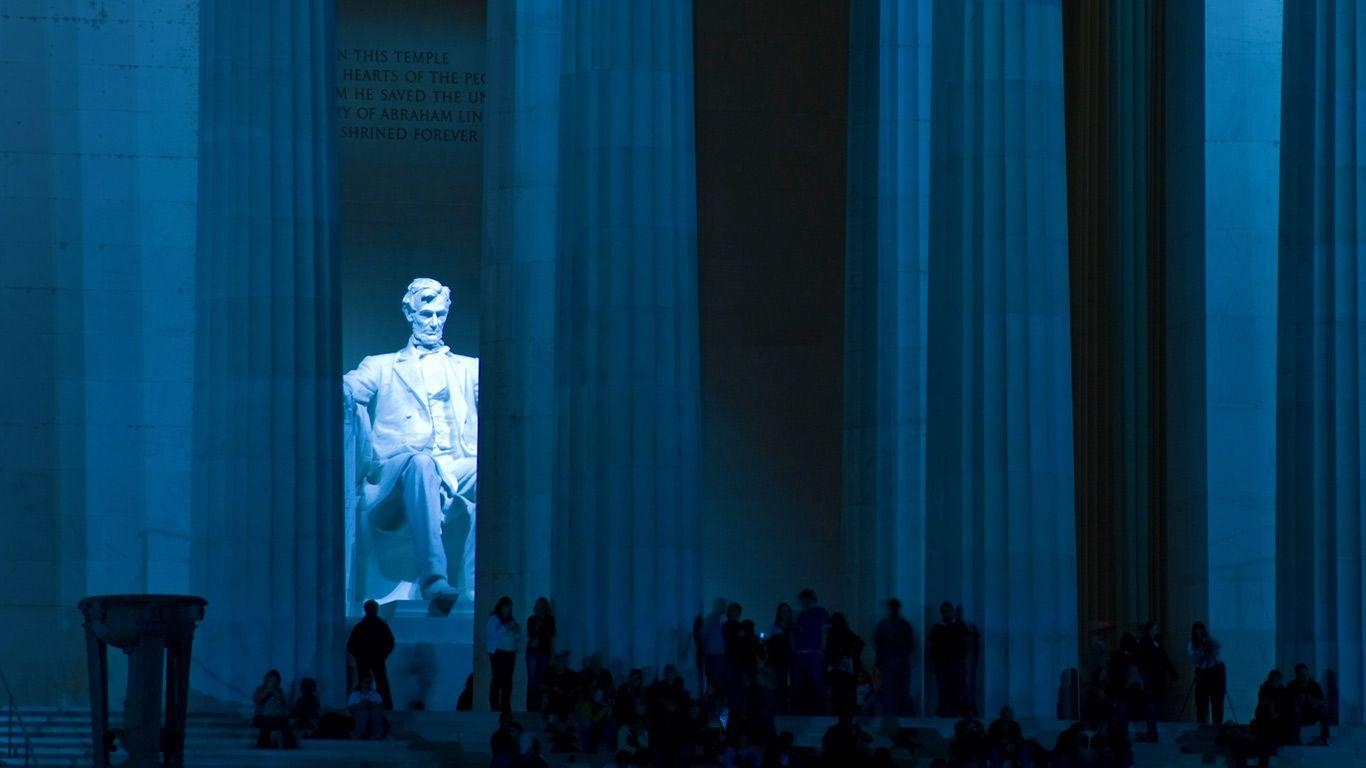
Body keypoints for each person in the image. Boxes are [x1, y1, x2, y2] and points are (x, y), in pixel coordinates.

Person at [343, 277, 478, 610]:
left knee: (486, 468)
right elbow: (349, 388)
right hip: (397, 469)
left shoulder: (470, 369)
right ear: (409, 312)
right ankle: (434, 577)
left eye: (440, 315)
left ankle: (476, 584)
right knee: (421, 463)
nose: (433, 322)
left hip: (455, 465)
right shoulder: (380, 365)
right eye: (426, 314)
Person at [346, 599, 396, 709]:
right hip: (376, 659)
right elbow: (390, 642)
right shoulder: (381, 625)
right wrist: (383, 654)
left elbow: (350, 645)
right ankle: (386, 706)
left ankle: (362, 706)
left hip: (364, 660)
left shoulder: (360, 626)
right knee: (381, 683)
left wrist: (359, 656)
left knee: (365, 682)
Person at [873, 598, 915, 716]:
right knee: (894, 695)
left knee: (893, 695)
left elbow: (877, 644)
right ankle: (895, 720)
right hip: (894, 665)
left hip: (895, 665)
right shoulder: (902, 625)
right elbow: (910, 645)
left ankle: (893, 720)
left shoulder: (885, 625)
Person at [930, 601, 970, 718]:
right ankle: (943, 711)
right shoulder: (937, 628)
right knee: (943, 688)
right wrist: (933, 662)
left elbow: (967, 643)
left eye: (948, 611)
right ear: (941, 613)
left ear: (952, 612)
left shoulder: (960, 625)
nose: (946, 614)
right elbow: (932, 646)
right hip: (942, 663)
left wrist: (963, 658)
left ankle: (959, 711)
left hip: (956, 662)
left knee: (959, 688)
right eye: (944, 612)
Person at [792, 588, 829, 714]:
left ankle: (821, 709)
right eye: (803, 601)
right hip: (802, 651)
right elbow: (798, 632)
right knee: (800, 681)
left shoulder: (821, 612)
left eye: (806, 600)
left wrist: (822, 649)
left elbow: (825, 632)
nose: (804, 603)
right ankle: (801, 709)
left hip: (814, 652)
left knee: (815, 679)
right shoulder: (802, 615)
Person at [1135, 621, 1177, 729]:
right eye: (1154, 629)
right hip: (1151, 675)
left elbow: (1165, 659)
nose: (1155, 632)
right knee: (1153, 698)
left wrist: (1172, 671)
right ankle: (1155, 718)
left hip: (1157, 676)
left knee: (1156, 698)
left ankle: (1157, 718)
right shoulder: (1145, 644)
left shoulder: (1155, 643)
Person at [825, 612, 865, 718]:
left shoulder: (832, 634)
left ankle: (838, 713)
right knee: (848, 692)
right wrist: (852, 654)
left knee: (838, 693)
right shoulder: (848, 633)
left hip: (837, 668)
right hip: (847, 667)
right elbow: (860, 644)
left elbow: (829, 652)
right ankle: (849, 713)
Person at [1187, 621, 1225, 725]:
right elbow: (1195, 660)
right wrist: (1201, 649)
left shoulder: (1211, 641)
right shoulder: (1192, 644)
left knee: (1217, 700)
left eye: (1202, 630)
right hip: (1202, 672)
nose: (1200, 633)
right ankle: (1202, 723)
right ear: (1194, 632)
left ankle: (1217, 724)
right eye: (1197, 630)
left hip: (1216, 670)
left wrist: (1208, 640)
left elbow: (1218, 647)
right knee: (1201, 700)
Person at [487, 595, 521, 714]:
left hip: (510, 654)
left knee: (507, 681)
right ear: (501, 607)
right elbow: (493, 635)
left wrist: (516, 633)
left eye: (509, 608)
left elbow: (517, 638)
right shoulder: (493, 619)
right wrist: (505, 627)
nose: (507, 610)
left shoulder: (512, 620)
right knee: (497, 680)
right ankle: (495, 707)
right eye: (505, 607)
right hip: (498, 653)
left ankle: (506, 706)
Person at [251, 669, 298, 749]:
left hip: (276, 716)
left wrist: (276, 694)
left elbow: (284, 706)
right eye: (271, 680)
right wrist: (268, 692)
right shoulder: (260, 689)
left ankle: (290, 746)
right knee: (268, 721)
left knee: (284, 723)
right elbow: (257, 701)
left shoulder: (279, 692)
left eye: (275, 681)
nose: (273, 683)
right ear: (267, 680)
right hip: (261, 716)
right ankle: (263, 746)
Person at [1287, 663, 1330, 745]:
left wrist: (1315, 702)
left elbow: (1323, 701)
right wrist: (1297, 702)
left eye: (1306, 674)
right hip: (1297, 715)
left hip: (1311, 713)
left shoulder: (1314, 685)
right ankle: (1295, 739)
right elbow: (1287, 703)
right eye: (1302, 675)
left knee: (1323, 710)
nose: (1305, 676)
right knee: (1295, 709)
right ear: (1298, 675)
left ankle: (1324, 738)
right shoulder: (1292, 686)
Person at [525, 596, 556, 712]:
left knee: (542, 677)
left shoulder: (550, 620)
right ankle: (531, 706)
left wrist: (540, 632)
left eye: (542, 605)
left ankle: (539, 705)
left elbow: (551, 633)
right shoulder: (531, 619)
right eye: (538, 605)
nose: (540, 608)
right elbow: (531, 633)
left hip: (544, 650)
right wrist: (540, 632)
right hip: (533, 650)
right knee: (532, 677)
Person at [765, 603, 795, 714]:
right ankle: (779, 709)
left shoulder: (793, 626)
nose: (785, 613)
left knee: (792, 683)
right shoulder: (774, 627)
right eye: (782, 611)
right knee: (779, 684)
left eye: (786, 611)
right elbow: (770, 643)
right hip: (779, 659)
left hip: (791, 658)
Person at [347, 674, 386, 740]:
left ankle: (377, 735)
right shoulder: (354, 694)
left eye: (369, 682)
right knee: (363, 712)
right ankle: (359, 734)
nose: (367, 684)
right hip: (359, 714)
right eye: (366, 682)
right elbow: (350, 709)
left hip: (372, 713)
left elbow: (382, 707)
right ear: (361, 683)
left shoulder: (375, 694)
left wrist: (373, 704)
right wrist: (360, 705)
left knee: (376, 712)